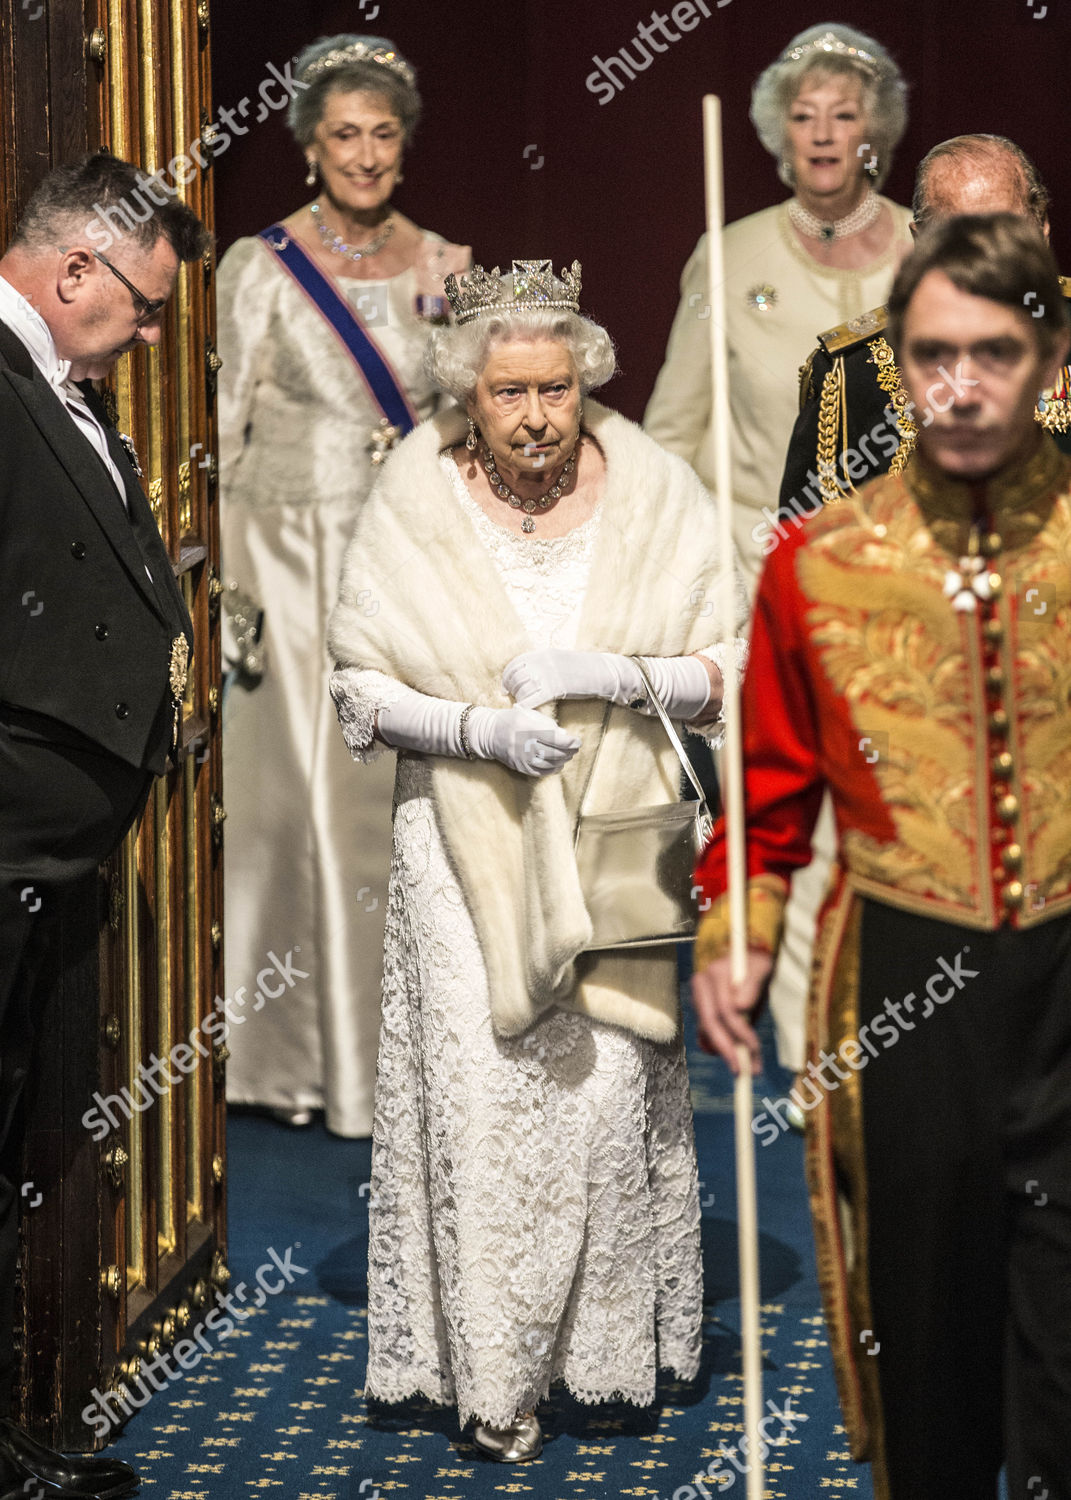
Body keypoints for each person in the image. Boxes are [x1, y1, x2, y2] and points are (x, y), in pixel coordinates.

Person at [327, 259, 747, 1460]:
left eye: (555, 388)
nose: (535, 415)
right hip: (461, 843)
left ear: (586, 380)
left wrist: (621, 677)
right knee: (480, 1094)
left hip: (615, 833)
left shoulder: (658, 490)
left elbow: (732, 662)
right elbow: (357, 677)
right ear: (468, 392)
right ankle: (490, 1377)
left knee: (609, 1092)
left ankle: (608, 1356)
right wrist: (477, 731)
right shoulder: (413, 496)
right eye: (509, 391)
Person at [691, 213, 1071, 1500]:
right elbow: (772, 787)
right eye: (931, 355)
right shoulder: (818, 564)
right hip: (910, 984)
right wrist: (738, 927)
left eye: (996, 354)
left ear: (1050, 356)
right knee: (929, 1319)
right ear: (895, 361)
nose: (961, 388)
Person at [646, 22, 912, 1087]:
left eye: (844, 112)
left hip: (903, 580)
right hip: (770, 576)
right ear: (774, 133)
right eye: (804, 113)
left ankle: (902, 1041)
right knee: (784, 820)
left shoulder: (924, 247)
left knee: (885, 812)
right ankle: (820, 1068)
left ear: (878, 131)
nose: (824, 132)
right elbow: (673, 434)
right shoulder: (731, 255)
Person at [0, 151, 208, 1499]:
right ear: (74, 267)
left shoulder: (61, 391)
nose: (145, 336)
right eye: (136, 307)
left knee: (18, 1143)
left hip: (53, 860)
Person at [216, 34, 469, 1135]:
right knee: (293, 810)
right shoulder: (257, 266)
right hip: (283, 555)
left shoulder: (449, 268)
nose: (364, 155)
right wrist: (221, 586)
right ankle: (289, 1062)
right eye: (343, 135)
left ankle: (399, 1058)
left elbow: (469, 425)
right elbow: (218, 435)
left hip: (403, 557)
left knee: (398, 807)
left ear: (403, 149)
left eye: (382, 135)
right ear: (309, 147)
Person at [777, 134, 1071, 521]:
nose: (984, 258)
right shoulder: (852, 378)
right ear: (921, 240)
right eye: (959, 237)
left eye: (1003, 231)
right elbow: (807, 557)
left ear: (1041, 226)